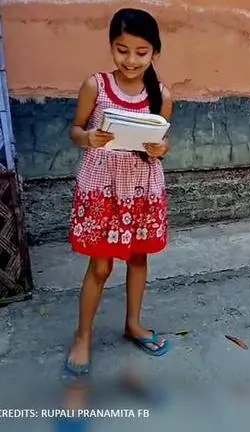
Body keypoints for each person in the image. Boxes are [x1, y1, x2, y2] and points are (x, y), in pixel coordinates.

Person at [64, 7, 172, 379]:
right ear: (112, 47)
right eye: (121, 49)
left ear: (154, 52)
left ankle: (133, 324)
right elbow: (75, 129)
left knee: (139, 259)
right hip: (103, 187)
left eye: (141, 52)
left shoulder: (161, 93)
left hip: (142, 188)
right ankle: (83, 336)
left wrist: (160, 149)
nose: (130, 59)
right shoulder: (95, 85)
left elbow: (161, 142)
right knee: (101, 265)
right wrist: (88, 138)